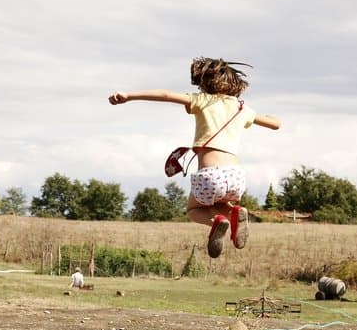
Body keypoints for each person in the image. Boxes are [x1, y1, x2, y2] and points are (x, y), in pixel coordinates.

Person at [108, 57, 281, 258]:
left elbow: (165, 95)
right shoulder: (242, 109)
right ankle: (233, 213)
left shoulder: (202, 100)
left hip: (210, 176)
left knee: (193, 209)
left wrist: (129, 95)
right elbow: (275, 124)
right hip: (236, 178)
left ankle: (217, 222)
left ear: (204, 83)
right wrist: (270, 115)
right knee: (221, 204)